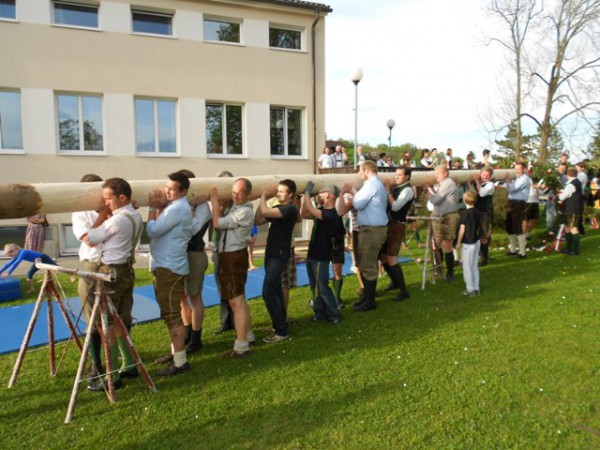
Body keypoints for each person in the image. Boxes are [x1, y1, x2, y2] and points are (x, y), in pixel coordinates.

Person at [83, 177, 143, 391]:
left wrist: (101, 215)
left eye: (108, 199)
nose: (105, 202)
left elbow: (89, 238)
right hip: (126, 270)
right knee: (120, 321)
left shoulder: (116, 220)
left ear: (122, 197)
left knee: (106, 324)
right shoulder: (134, 214)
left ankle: (113, 377)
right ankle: (130, 365)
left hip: (112, 272)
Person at [147, 172, 194, 376]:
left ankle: (180, 361)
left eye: (171, 189)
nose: (166, 191)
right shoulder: (174, 207)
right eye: (166, 188)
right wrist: (160, 208)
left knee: (172, 315)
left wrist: (151, 209)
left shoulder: (177, 208)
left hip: (170, 267)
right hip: (167, 265)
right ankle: (177, 354)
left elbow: (153, 231)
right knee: (171, 313)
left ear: (183, 191)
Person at [210, 178, 256, 358]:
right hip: (229, 256)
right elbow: (221, 219)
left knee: (236, 301)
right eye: (233, 192)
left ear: (249, 195)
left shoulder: (244, 211)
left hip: (234, 257)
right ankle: (248, 336)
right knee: (237, 300)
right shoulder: (237, 207)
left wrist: (213, 201)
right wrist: (221, 206)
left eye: (240, 193)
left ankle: (242, 346)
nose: (235, 196)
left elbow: (217, 224)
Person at [254, 180, 299, 343]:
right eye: (277, 191)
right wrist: (262, 201)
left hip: (279, 255)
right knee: (277, 291)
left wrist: (264, 196)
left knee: (268, 292)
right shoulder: (278, 209)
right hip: (272, 253)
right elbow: (259, 219)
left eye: (281, 191)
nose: (278, 194)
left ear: (290, 194)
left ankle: (281, 330)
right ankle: (279, 325)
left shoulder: (290, 209)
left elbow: (266, 210)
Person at [71, 173, 105, 388]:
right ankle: (97, 364)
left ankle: (126, 362)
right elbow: (88, 240)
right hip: (92, 264)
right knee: (91, 317)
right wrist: (104, 214)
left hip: (113, 264)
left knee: (118, 316)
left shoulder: (111, 206)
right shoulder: (79, 212)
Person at [301, 182, 349, 323]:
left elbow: (310, 207)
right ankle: (319, 313)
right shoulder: (322, 211)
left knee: (322, 287)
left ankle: (335, 314)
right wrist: (306, 197)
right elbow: (304, 213)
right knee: (314, 286)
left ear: (327, 195)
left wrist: (307, 194)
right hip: (312, 254)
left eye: (321, 193)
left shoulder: (330, 214)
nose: (319, 195)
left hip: (320, 257)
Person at [177, 169, 212, 354]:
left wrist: (189, 209)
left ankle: (196, 338)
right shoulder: (183, 204)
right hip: (181, 255)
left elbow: (190, 230)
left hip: (195, 255)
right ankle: (188, 333)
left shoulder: (202, 207)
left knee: (194, 297)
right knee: (183, 297)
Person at [350, 160, 388, 312]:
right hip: (371, 229)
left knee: (369, 266)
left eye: (360, 171)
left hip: (372, 230)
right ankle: (367, 298)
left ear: (366, 171)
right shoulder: (374, 184)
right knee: (365, 264)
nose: (359, 174)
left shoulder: (371, 185)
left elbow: (358, 204)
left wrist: (352, 191)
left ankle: (370, 301)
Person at [381, 166, 414, 302]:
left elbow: (395, 207)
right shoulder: (398, 187)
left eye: (400, 175)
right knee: (383, 257)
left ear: (407, 176)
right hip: (389, 224)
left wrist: (388, 192)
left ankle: (403, 290)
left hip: (398, 225)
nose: (397, 177)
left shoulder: (407, 190)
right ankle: (395, 282)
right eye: (396, 175)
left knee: (392, 258)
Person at [211, 170, 236, 335]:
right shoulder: (219, 205)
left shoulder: (235, 206)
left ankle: (236, 321)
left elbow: (220, 224)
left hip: (230, 252)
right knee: (221, 287)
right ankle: (226, 321)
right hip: (218, 251)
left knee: (233, 288)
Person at [427, 165, 460, 281]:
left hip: (448, 217)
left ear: (445, 173)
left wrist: (429, 193)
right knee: (436, 244)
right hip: (439, 217)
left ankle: (450, 273)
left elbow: (436, 200)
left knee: (447, 245)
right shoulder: (443, 184)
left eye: (438, 173)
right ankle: (440, 268)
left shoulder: (448, 183)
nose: (436, 176)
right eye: (435, 174)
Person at [455, 190, 482, 296]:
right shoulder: (478, 212)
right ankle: (476, 287)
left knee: (467, 266)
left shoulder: (465, 213)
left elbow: (462, 230)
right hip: (477, 241)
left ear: (465, 200)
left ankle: (470, 289)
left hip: (468, 243)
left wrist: (458, 242)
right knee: (474, 266)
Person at [504, 162, 531, 258]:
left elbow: (512, 189)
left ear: (524, 169)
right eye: (516, 169)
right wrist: (509, 182)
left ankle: (522, 253)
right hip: (512, 203)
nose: (517, 171)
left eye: (519, 169)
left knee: (518, 227)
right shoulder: (518, 178)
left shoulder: (525, 179)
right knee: (510, 227)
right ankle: (513, 250)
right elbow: (509, 189)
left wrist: (508, 181)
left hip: (519, 204)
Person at [558, 167, 584, 255]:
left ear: (568, 174)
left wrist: (559, 193)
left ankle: (576, 251)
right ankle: (568, 249)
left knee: (573, 229)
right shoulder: (578, 182)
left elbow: (562, 197)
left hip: (572, 209)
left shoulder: (571, 184)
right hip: (574, 208)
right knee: (567, 228)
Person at [473, 167, 494, 266]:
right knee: (475, 236)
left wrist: (477, 183)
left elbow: (481, 194)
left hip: (484, 213)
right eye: (483, 174)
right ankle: (478, 256)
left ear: (490, 176)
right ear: (480, 173)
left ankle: (485, 259)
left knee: (483, 237)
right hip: (475, 212)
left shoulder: (490, 185)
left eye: (487, 176)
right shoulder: (478, 183)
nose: (485, 177)